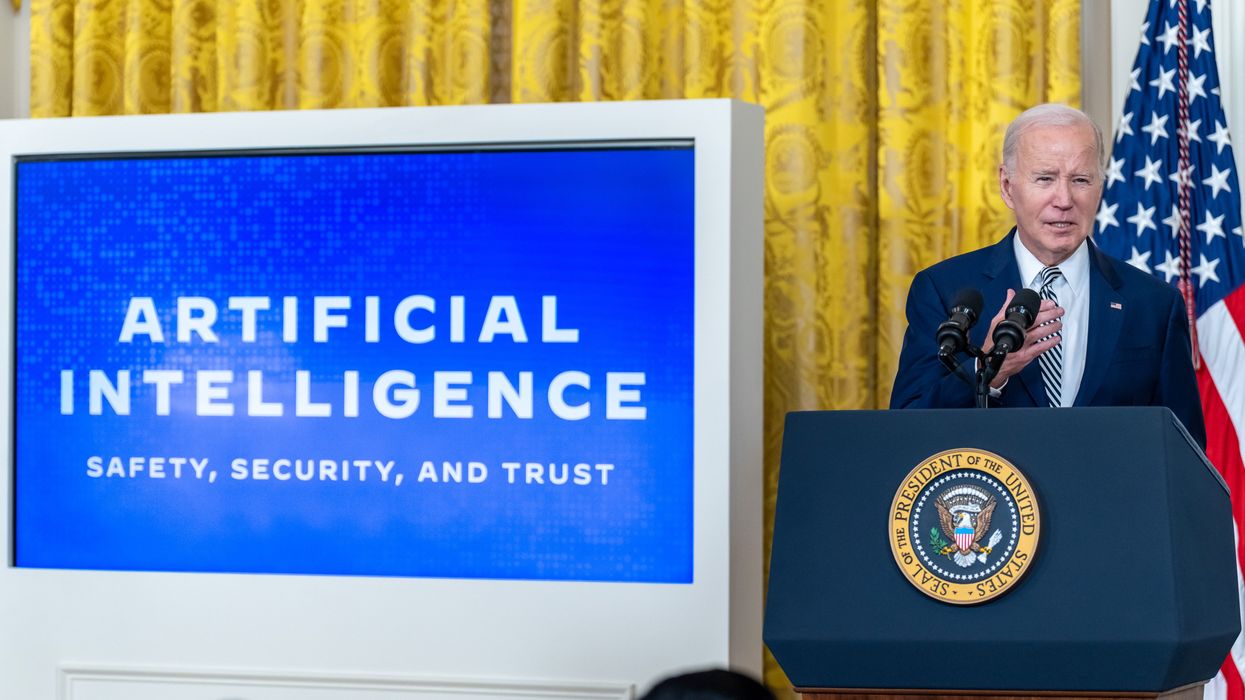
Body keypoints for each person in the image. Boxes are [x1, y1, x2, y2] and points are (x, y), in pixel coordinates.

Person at [889, 103, 1206, 447]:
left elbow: (1183, 449)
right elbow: (907, 428)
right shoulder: (942, 289)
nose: (1064, 200)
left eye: (1080, 180)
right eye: (1045, 179)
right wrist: (988, 371)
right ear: (1007, 186)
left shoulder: (1155, 304)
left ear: (1100, 187)